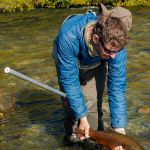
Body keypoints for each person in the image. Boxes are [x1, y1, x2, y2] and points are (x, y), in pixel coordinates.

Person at [52, 3, 132, 150]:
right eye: (109, 51)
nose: (113, 57)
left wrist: (119, 130)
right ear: (96, 38)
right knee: (71, 104)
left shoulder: (115, 47)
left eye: (117, 52)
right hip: (68, 58)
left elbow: (117, 86)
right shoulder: (68, 35)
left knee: (92, 102)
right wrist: (81, 117)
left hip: (95, 62)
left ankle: (92, 142)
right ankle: (71, 139)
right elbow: (70, 81)